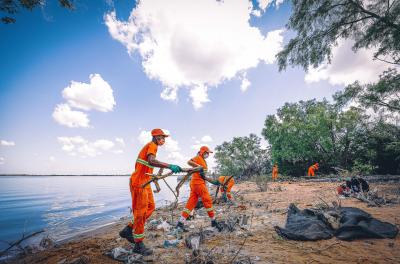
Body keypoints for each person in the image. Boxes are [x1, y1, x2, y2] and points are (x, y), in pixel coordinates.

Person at [119, 128, 182, 256]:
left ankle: (129, 228)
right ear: (155, 136)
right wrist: (170, 166)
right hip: (139, 183)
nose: (163, 140)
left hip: (145, 182)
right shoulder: (152, 145)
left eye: (164, 138)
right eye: (162, 137)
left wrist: (155, 181)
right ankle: (138, 244)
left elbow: (148, 167)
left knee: (151, 207)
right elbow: (151, 161)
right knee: (140, 212)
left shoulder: (153, 147)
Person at [176, 146, 223, 231]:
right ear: (202, 152)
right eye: (206, 153)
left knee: (191, 203)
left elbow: (203, 176)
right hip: (198, 184)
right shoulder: (198, 158)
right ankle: (213, 221)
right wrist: (199, 166)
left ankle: (180, 223)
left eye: (208, 153)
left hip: (195, 183)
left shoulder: (203, 160)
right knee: (207, 200)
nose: (208, 154)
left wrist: (214, 182)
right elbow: (189, 162)